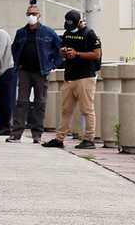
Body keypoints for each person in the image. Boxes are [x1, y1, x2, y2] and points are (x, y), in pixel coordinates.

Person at [44, 10, 103, 150]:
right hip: (70, 76)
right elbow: (61, 48)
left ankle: (89, 139)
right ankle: (59, 139)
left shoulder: (89, 34)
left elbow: (96, 54)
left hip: (85, 76)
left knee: (87, 109)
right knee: (66, 110)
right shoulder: (67, 33)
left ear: (79, 22)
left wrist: (77, 54)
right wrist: (63, 51)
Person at [6, 5, 61, 143]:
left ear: (39, 15)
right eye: (30, 14)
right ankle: (16, 133)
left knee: (40, 102)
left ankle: (37, 134)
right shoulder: (21, 33)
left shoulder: (48, 32)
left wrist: (53, 64)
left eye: (34, 14)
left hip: (41, 72)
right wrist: (18, 63)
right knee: (21, 102)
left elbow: (59, 49)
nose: (32, 16)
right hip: (24, 71)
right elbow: (15, 48)